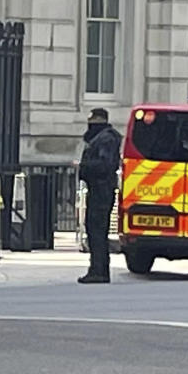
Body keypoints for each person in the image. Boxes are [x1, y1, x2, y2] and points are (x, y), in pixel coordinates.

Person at [78, 107, 122, 284]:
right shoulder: (103, 138)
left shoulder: (106, 139)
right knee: (94, 229)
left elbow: (104, 165)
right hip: (98, 189)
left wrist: (86, 167)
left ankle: (99, 270)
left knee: (97, 230)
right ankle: (97, 269)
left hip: (101, 190)